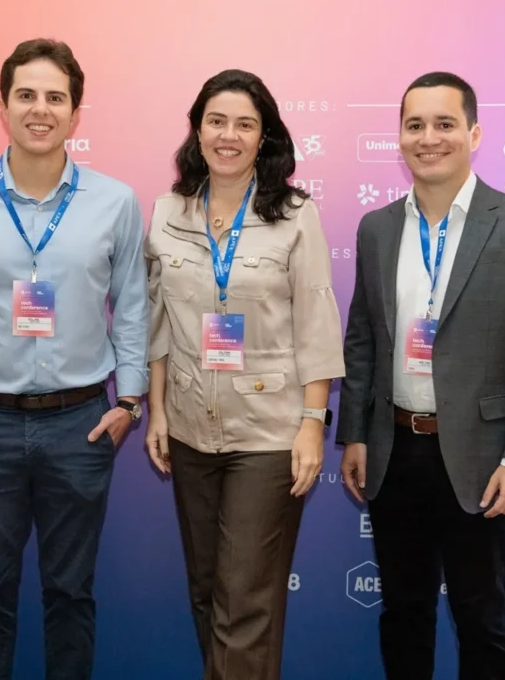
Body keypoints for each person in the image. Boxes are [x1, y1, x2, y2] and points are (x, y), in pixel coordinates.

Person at [0, 38, 149, 680]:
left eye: (55, 97)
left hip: (81, 425)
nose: (39, 109)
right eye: (26, 95)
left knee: (71, 595)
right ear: (3, 107)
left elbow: (133, 308)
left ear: (75, 112)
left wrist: (130, 401)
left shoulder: (115, 202)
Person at [336, 71, 505, 680]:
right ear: (399, 137)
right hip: (394, 451)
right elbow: (362, 338)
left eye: (444, 124)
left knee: (482, 619)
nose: (428, 138)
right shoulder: (377, 228)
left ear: (474, 134)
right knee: (403, 616)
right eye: (415, 125)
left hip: (484, 460)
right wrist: (354, 434)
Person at [143, 69, 346, 680]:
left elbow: (316, 324)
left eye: (244, 124)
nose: (228, 136)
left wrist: (312, 423)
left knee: (245, 599)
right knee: (208, 590)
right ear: (197, 129)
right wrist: (157, 411)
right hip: (188, 427)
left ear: (264, 137)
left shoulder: (295, 214)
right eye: (216, 121)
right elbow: (157, 321)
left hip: (268, 432)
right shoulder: (168, 211)